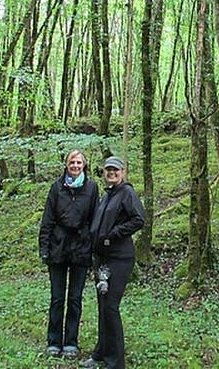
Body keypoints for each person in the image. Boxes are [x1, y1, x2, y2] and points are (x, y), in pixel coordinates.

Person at [81, 156, 145, 369]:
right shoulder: (108, 194)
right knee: (102, 306)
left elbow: (138, 219)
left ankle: (116, 362)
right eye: (108, 170)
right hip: (102, 258)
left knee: (110, 307)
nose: (112, 173)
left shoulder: (127, 192)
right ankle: (100, 353)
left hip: (119, 258)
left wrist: (115, 233)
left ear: (122, 172)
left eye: (115, 170)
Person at [39, 150, 99, 359]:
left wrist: (94, 250)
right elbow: (47, 220)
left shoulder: (91, 188)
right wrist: (44, 248)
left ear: (84, 165)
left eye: (79, 162)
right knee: (57, 298)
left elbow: (95, 222)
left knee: (75, 298)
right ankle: (54, 341)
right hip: (58, 248)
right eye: (72, 162)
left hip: (81, 249)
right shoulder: (57, 188)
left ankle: (71, 342)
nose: (75, 165)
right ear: (66, 165)